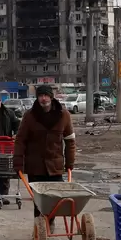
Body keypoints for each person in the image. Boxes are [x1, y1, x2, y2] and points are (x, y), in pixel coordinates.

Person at [13, 85, 76, 223]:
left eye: (46, 95)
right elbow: (20, 140)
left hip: (55, 165)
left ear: (51, 97)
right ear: (37, 97)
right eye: (40, 95)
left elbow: (70, 141)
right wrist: (18, 162)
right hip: (36, 165)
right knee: (39, 199)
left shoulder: (63, 115)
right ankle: (39, 225)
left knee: (55, 197)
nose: (43, 98)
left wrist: (70, 162)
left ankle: (49, 223)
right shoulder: (30, 116)